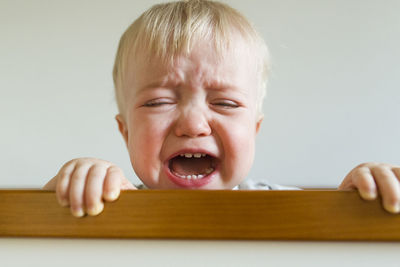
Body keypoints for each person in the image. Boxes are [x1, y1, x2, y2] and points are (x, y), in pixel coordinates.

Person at [43, 0, 400, 217]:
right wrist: (74, 186)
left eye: (225, 103)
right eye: (159, 102)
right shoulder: (113, 202)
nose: (193, 124)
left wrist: (358, 197)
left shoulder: (280, 207)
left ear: (254, 129)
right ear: (125, 131)